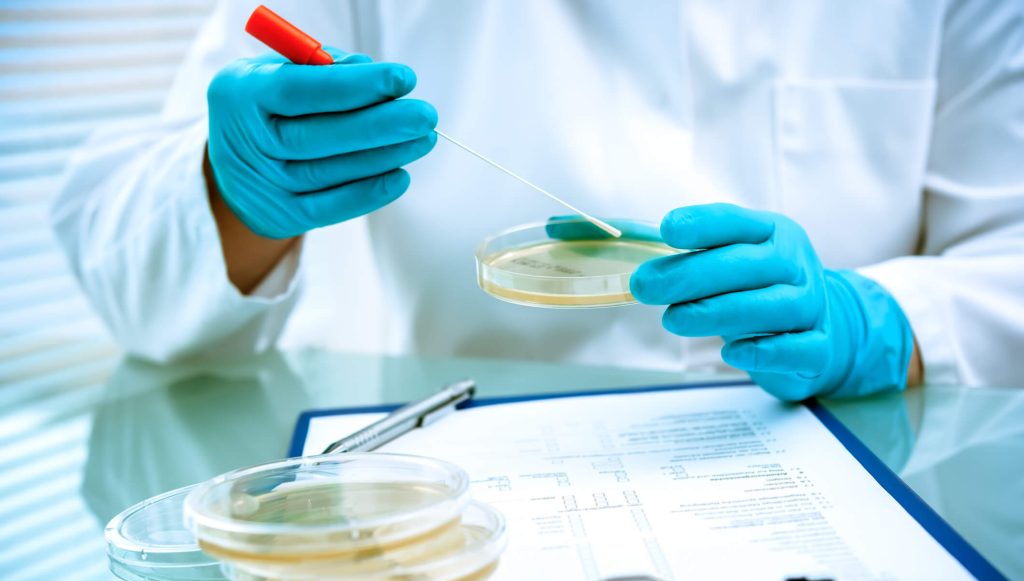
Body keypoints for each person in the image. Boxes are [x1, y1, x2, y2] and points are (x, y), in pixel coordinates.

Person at [51, 1, 1024, 400]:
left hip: (848, 495)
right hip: (466, 513)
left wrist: (892, 324)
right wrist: (232, 192)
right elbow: (116, 251)